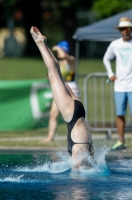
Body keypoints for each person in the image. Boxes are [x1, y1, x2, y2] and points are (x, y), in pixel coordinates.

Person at [30, 26, 94, 168]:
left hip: (79, 113)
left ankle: (42, 43)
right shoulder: (80, 158)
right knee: (54, 74)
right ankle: (40, 43)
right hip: (73, 116)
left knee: (55, 73)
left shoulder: (86, 155)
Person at [40, 40, 80, 142]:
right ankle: (50, 136)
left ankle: (77, 137)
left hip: (71, 89)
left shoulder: (71, 60)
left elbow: (64, 56)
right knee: (53, 114)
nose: (58, 52)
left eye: (59, 50)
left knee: (75, 116)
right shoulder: (60, 63)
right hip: (60, 88)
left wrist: (57, 48)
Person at [103, 17, 132, 151]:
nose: (124, 31)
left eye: (127, 28)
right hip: (119, 86)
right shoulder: (115, 44)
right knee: (120, 114)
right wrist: (110, 74)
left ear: (131, 29)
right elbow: (106, 58)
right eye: (122, 28)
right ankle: (121, 141)